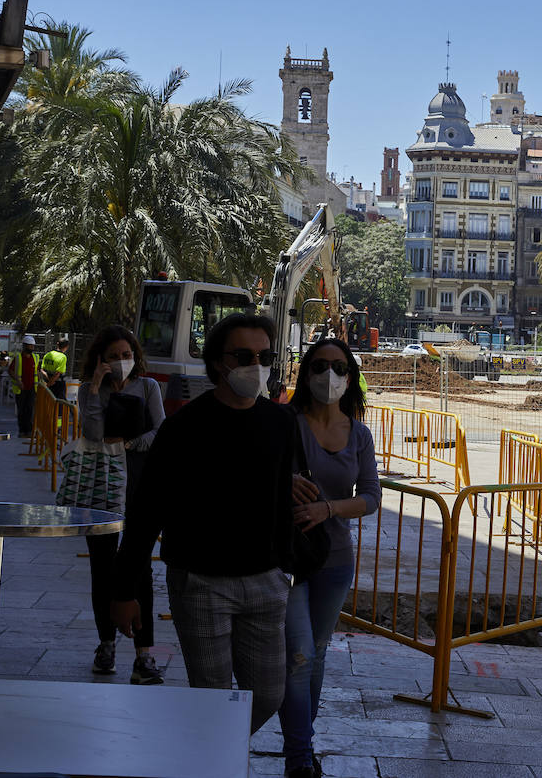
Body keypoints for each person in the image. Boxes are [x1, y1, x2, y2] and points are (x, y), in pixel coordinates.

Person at [112, 313, 296, 733]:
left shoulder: (281, 422)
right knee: (210, 695)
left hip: (266, 581)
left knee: (268, 693)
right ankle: (212, 756)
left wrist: (287, 566)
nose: (256, 364)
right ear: (218, 363)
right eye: (244, 355)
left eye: (264, 355)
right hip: (201, 582)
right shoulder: (183, 428)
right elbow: (146, 513)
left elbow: (283, 497)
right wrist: (123, 591)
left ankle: (209, 747)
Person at [279, 337, 381, 778]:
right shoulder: (286, 423)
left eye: (339, 367)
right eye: (320, 366)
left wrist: (329, 508)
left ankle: (303, 736)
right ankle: (299, 756)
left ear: (351, 376)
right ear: (306, 372)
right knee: (298, 653)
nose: (329, 375)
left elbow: (372, 497)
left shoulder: (359, 434)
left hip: (335, 558)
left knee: (316, 652)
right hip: (287, 556)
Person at [77, 325, 166, 685]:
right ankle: (106, 644)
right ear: (100, 359)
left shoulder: (148, 387)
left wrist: (127, 446)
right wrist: (97, 387)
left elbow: (160, 431)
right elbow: (93, 434)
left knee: (139, 569)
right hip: (100, 489)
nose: (120, 361)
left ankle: (144, 655)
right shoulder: (88, 390)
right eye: (113, 356)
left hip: (139, 488)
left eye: (126, 355)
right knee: (102, 568)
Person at [14, 335, 40, 435]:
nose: (31, 348)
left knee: (29, 409)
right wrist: (18, 381)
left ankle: (29, 430)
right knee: (21, 410)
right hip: (21, 389)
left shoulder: (35, 358)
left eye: (32, 346)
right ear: (24, 346)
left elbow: (37, 371)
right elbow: (11, 371)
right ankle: (22, 430)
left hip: (32, 389)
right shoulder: (18, 358)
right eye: (29, 346)